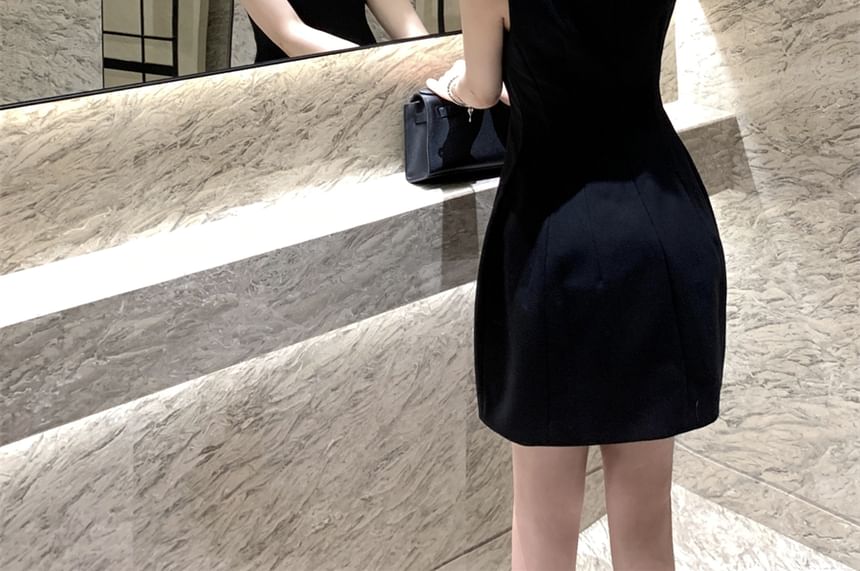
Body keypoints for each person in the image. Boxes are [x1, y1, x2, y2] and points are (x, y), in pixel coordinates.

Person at [427, 0, 727, 569]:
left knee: (543, 519)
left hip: (554, 235)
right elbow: (607, 60)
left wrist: (456, 84)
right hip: (661, 222)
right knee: (645, 516)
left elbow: (482, 90)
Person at [241, 0, 430, 64]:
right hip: (292, 93)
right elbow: (290, 34)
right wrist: (384, 66)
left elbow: (408, 26)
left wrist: (431, 61)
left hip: (372, 81)